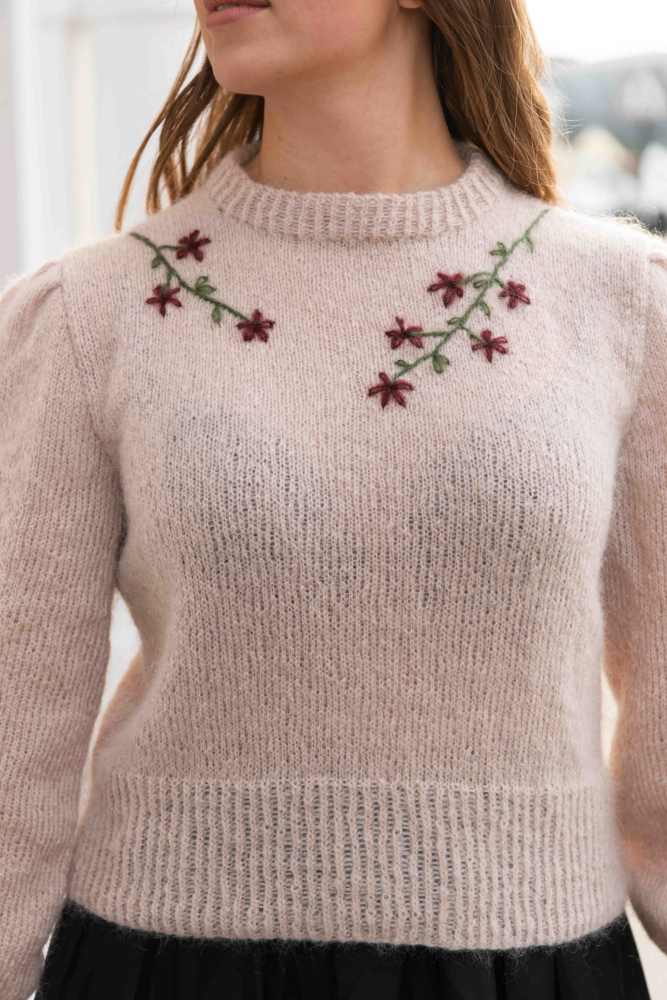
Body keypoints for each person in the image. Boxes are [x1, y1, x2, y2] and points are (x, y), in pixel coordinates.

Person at [0, 0, 665, 997]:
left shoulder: (622, 303)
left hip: (533, 965)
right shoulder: (89, 316)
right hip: (164, 968)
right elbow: (15, 745)